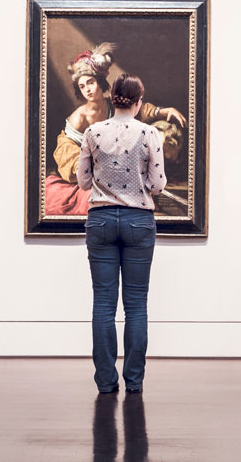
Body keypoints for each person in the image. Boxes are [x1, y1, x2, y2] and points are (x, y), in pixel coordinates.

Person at [76, 73, 166, 394]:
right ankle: (134, 381)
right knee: (136, 304)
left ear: (113, 98)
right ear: (139, 102)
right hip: (138, 221)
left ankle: (105, 382)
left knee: (103, 303)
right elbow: (157, 185)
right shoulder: (149, 133)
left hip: (100, 220)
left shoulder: (92, 132)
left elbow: (84, 182)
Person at [46, 43, 186, 215]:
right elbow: (67, 152)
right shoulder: (79, 118)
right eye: (82, 86)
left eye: (90, 82)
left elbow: (138, 111)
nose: (87, 89)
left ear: (99, 82)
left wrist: (163, 111)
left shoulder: (112, 105)